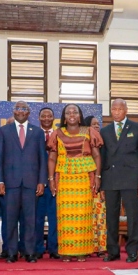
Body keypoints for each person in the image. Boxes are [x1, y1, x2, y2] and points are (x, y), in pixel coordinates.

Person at [48, 104, 103, 262]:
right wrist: (51, 179)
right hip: (64, 179)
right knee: (65, 216)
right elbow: (52, 158)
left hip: (84, 179)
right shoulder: (57, 133)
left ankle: (82, 251)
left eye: (75, 112)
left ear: (80, 116)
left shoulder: (89, 132)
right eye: (68, 112)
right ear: (64, 117)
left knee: (82, 214)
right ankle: (66, 250)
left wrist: (98, 177)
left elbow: (97, 156)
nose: (72, 114)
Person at [0, 101, 47, 263]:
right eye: (18, 108)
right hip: (10, 183)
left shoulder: (37, 132)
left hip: (32, 183)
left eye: (24, 108)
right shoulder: (4, 131)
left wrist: (41, 181)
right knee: (10, 220)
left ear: (29, 112)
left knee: (30, 220)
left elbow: (42, 159)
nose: (21, 111)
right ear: (14, 111)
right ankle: (11, 252)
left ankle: (29, 252)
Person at [100, 99, 138, 263]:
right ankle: (112, 251)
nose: (117, 112)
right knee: (111, 217)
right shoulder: (105, 130)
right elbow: (102, 157)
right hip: (110, 179)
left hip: (131, 179)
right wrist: (101, 184)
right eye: (114, 109)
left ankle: (132, 250)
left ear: (126, 110)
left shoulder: (137, 128)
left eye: (120, 109)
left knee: (133, 217)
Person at [35, 107, 59, 259]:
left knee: (54, 217)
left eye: (49, 116)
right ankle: (37, 248)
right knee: (37, 217)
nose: (46, 118)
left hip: (56, 181)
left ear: (53, 118)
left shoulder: (59, 134)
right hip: (37, 181)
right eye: (43, 116)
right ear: (38, 118)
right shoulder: (34, 134)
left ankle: (53, 248)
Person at [84, 115, 107, 257]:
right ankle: (89, 246)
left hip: (100, 185)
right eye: (94, 124)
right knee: (88, 216)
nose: (97, 126)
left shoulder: (103, 142)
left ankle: (101, 246)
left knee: (101, 216)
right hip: (85, 182)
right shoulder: (84, 142)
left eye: (98, 124)